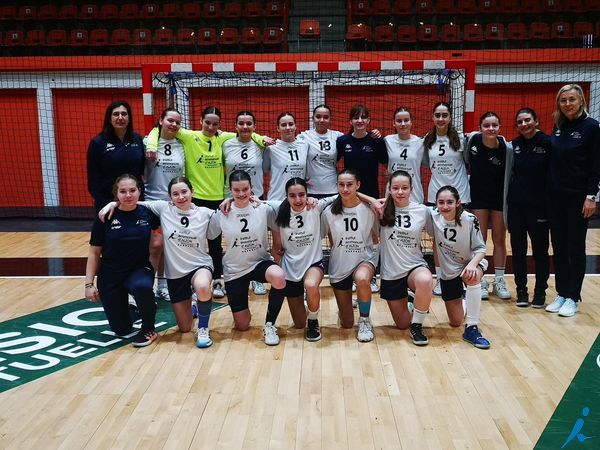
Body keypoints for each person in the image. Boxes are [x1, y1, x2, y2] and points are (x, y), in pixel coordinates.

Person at [146, 106, 267, 300]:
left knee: (216, 244)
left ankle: (218, 280)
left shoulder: (222, 138)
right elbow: (157, 129)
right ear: (200, 121)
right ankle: (189, 282)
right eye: (207, 122)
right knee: (192, 242)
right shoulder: (189, 136)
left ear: (220, 126)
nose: (211, 127)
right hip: (195, 199)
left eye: (215, 124)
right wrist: (152, 146)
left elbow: (248, 133)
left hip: (218, 198)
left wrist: (261, 139)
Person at [100, 176, 216, 348]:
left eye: (184, 192)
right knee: (184, 328)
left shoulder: (206, 213)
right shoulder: (164, 208)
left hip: (200, 265)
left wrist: (238, 200)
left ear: (192, 192)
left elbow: (231, 213)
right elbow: (134, 203)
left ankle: (203, 329)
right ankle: (194, 310)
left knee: (202, 286)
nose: (181, 197)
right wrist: (113, 204)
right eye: (175, 194)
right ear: (170, 197)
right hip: (176, 273)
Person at [207, 170, 286, 345]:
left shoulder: (263, 208)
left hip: (259, 262)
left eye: (245, 189)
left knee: (279, 277)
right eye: (237, 190)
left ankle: (269, 324)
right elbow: (210, 235)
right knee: (242, 325)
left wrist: (277, 246)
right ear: (230, 190)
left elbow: (285, 208)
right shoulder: (222, 212)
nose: (241, 194)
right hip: (235, 269)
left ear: (252, 188)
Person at [84, 174, 159, 347]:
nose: (128, 195)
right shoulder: (105, 216)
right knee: (121, 329)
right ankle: (135, 310)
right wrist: (89, 284)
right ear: (116, 194)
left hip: (138, 269)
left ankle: (149, 328)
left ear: (139, 191)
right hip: (111, 274)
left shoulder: (148, 213)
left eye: (132, 190)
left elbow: (171, 212)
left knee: (142, 287)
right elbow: (94, 252)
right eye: (123, 191)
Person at [545, 84, 600, 317]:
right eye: (563, 100)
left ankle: (573, 296)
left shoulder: (593, 128)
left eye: (571, 99)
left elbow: (597, 166)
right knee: (558, 245)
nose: (567, 104)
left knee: (575, 246)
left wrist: (591, 197)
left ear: (581, 101)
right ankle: (562, 292)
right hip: (556, 196)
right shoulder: (559, 127)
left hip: (578, 198)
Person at [266, 178, 336, 341]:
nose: (298, 200)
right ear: (286, 196)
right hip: (290, 267)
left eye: (302, 195)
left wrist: (372, 201)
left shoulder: (315, 206)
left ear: (307, 194)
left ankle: (313, 321)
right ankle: (309, 307)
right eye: (292, 196)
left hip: (313, 263)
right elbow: (251, 200)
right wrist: (228, 199)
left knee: (311, 285)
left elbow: (341, 194)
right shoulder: (278, 209)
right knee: (298, 324)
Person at [321, 169, 379, 343]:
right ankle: (351, 305)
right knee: (346, 323)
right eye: (341, 185)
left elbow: (377, 236)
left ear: (358, 185)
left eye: (349, 184)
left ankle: (364, 320)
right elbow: (322, 236)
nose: (345, 189)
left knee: (362, 279)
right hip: (340, 264)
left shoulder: (370, 210)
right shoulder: (329, 212)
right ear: (337, 186)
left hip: (364, 259)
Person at [431, 185, 491, 349]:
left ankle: (472, 328)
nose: (445, 206)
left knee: (471, 276)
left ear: (458, 202)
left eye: (449, 202)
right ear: (435, 203)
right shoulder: (433, 216)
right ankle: (466, 299)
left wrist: (472, 265)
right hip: (449, 270)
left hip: (470, 263)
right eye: (441, 202)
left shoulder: (470, 219)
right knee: (455, 321)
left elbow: (481, 249)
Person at [378, 170, 433, 346]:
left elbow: (440, 232)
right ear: (389, 189)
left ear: (411, 189)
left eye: (404, 188)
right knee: (402, 324)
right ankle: (412, 304)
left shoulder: (422, 211)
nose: (400, 192)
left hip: (414, 267)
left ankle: (417, 327)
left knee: (425, 280)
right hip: (391, 273)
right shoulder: (381, 210)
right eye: (395, 188)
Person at [336, 104, 387, 293]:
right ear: (350, 121)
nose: (359, 121)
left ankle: (371, 275)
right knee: (353, 236)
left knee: (373, 236)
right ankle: (350, 272)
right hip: (351, 197)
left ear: (368, 120)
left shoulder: (376, 141)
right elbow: (333, 163)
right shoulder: (343, 141)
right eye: (356, 117)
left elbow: (386, 163)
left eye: (363, 117)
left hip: (371, 196)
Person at [423, 102, 470, 297]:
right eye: (437, 115)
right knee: (439, 239)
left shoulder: (461, 139)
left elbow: (468, 160)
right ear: (433, 117)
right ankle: (441, 279)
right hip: (437, 196)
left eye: (444, 115)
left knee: (462, 238)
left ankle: (465, 277)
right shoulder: (428, 139)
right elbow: (426, 163)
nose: (441, 119)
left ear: (450, 117)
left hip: (459, 195)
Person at [223, 110, 273, 296]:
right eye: (241, 123)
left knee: (257, 238)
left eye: (249, 123)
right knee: (236, 238)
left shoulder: (261, 146)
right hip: (233, 199)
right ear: (235, 126)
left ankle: (256, 277)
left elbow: (269, 167)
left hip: (255, 197)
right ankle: (236, 274)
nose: (245, 127)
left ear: (254, 126)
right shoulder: (226, 144)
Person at [506, 108, 551, 308]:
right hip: (516, 206)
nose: (524, 124)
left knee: (540, 250)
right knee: (518, 250)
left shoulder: (548, 143)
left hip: (539, 207)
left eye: (527, 120)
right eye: (520, 122)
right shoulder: (513, 145)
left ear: (536, 120)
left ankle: (540, 291)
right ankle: (521, 291)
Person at [466, 112, 511, 300]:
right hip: (478, 198)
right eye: (486, 125)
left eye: (494, 125)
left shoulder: (506, 149)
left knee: (499, 238)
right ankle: (480, 278)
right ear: (480, 127)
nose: (490, 128)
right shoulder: (472, 141)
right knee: (480, 240)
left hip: (499, 199)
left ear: (499, 127)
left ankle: (499, 280)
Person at [144, 108, 186, 301]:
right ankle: (147, 286)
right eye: (170, 120)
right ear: (161, 120)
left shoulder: (182, 145)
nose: (174, 125)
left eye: (177, 122)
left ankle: (162, 285)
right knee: (154, 246)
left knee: (169, 248)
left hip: (174, 205)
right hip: (151, 203)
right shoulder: (148, 143)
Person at [87, 100, 145, 212]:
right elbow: (93, 180)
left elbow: (143, 171)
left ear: (129, 119)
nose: (120, 117)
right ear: (109, 119)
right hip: (109, 203)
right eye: (115, 114)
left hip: (135, 202)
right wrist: (105, 204)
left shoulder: (137, 139)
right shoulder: (98, 143)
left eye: (124, 114)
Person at [298, 104, 343, 198]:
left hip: (333, 189)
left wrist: (373, 135)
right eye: (318, 117)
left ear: (330, 119)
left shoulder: (338, 136)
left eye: (326, 117)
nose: (321, 120)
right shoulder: (304, 136)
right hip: (311, 190)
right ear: (313, 118)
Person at [263, 112, 309, 200]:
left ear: (295, 126)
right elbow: (264, 170)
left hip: (298, 200)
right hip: (277, 199)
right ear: (278, 128)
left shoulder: (305, 145)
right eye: (284, 125)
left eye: (291, 124)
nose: (288, 128)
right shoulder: (271, 148)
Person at [384, 108, 426, 203]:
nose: (403, 124)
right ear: (393, 123)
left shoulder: (420, 142)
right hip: (393, 193)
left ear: (411, 122)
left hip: (414, 194)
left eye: (406, 120)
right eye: (399, 121)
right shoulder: (387, 140)